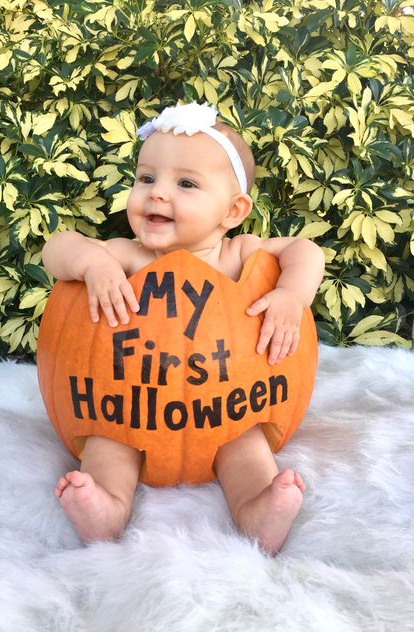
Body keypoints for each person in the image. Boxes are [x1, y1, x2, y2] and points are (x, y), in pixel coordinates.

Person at [42, 102, 325, 554]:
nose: (156, 193)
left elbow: (305, 250)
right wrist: (91, 262)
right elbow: (57, 248)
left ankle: (258, 509)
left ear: (232, 211)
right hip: (126, 410)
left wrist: (292, 294)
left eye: (186, 183)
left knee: (246, 448)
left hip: (229, 411)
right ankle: (105, 508)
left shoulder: (240, 254)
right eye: (146, 178)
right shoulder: (128, 255)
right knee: (108, 444)